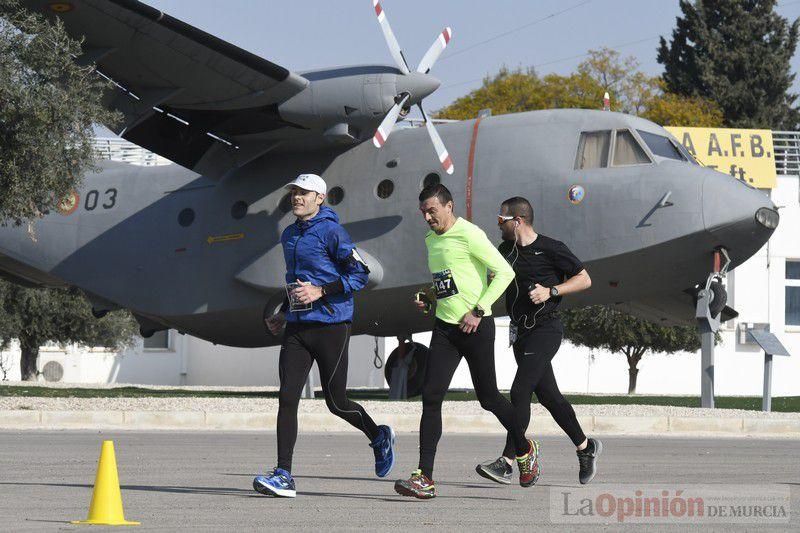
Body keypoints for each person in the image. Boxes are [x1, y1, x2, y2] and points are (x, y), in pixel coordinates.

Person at [254, 173, 395, 498]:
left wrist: (321, 291)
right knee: (287, 397)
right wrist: (284, 313)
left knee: (336, 402)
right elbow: (297, 281)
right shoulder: (289, 234)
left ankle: (377, 435)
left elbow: (360, 273)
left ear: (320, 198)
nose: (297, 198)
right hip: (298, 328)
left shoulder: (333, 232)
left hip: (332, 326)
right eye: (294, 193)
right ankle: (283, 474)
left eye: (304, 193)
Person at [394, 184, 539, 500]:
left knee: (488, 398)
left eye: (432, 210)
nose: (427, 217)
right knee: (431, 397)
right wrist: (429, 296)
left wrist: (479, 309)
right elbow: (449, 283)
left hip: (476, 327)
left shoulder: (469, 233)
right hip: (445, 329)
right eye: (423, 213)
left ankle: (525, 446)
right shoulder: (432, 239)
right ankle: (425, 477)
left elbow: (503, 273)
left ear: (448, 206)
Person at [475, 196, 601, 486]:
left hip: (546, 329)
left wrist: (552, 291)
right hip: (521, 333)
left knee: (520, 391)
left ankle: (509, 461)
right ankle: (586, 447)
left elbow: (584, 279)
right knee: (548, 396)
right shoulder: (505, 250)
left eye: (501, 220)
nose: (498, 225)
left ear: (517, 221)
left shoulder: (551, 248)